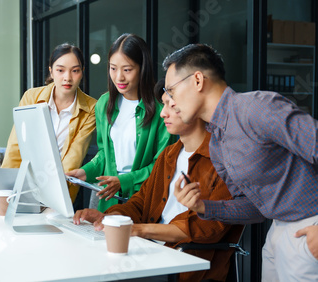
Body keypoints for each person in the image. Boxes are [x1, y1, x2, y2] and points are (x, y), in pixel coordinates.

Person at [163, 43, 318, 281]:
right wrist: (203, 207)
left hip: (310, 225)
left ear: (197, 80)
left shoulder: (257, 108)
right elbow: (254, 209)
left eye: (171, 91)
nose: (170, 102)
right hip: (278, 232)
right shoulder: (217, 143)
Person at [73, 78, 243, 281]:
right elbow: (141, 202)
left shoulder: (223, 160)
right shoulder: (169, 154)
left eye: (172, 105)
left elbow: (206, 228)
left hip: (184, 264)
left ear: (195, 105)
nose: (163, 113)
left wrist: (138, 230)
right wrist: (111, 218)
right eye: (164, 105)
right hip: (148, 253)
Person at [66, 33, 172, 212]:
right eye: (113, 68)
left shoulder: (162, 112)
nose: (119, 77)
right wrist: (84, 172)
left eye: (127, 70)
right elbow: (104, 155)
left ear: (142, 68)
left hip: (143, 201)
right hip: (109, 199)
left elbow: (161, 166)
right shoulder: (104, 104)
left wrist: (124, 181)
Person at [2, 43, 97, 202]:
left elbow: (74, 157)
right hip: (24, 184)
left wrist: (56, 200)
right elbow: (16, 146)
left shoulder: (91, 108)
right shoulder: (31, 97)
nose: (67, 77)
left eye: (75, 70)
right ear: (51, 71)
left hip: (59, 189)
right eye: (60, 70)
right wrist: (6, 190)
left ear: (82, 72)